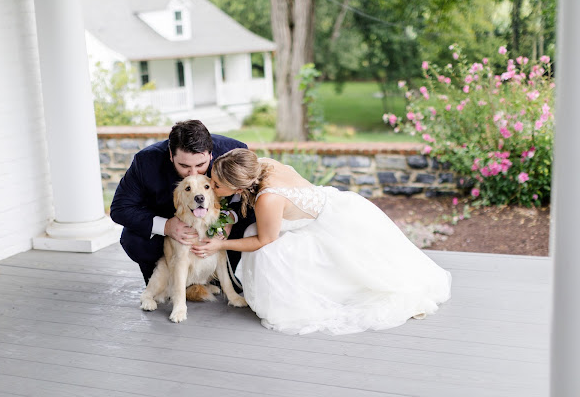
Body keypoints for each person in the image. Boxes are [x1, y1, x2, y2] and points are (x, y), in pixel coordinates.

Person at [192, 149, 452, 335]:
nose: (211, 187)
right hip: (338, 203)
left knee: (259, 242)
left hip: (328, 225)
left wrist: (219, 245)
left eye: (215, 185)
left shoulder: (267, 199)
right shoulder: (263, 163)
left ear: (239, 188)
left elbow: (265, 239)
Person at [110, 120, 255, 286]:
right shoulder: (146, 161)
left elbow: (249, 198)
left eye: (200, 165)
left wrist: (230, 217)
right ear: (171, 155)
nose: (192, 173)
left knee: (248, 221)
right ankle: (163, 282)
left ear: (211, 154)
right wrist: (166, 226)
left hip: (214, 224)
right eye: (184, 166)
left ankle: (219, 280)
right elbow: (120, 208)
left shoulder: (234, 152)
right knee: (132, 238)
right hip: (168, 228)